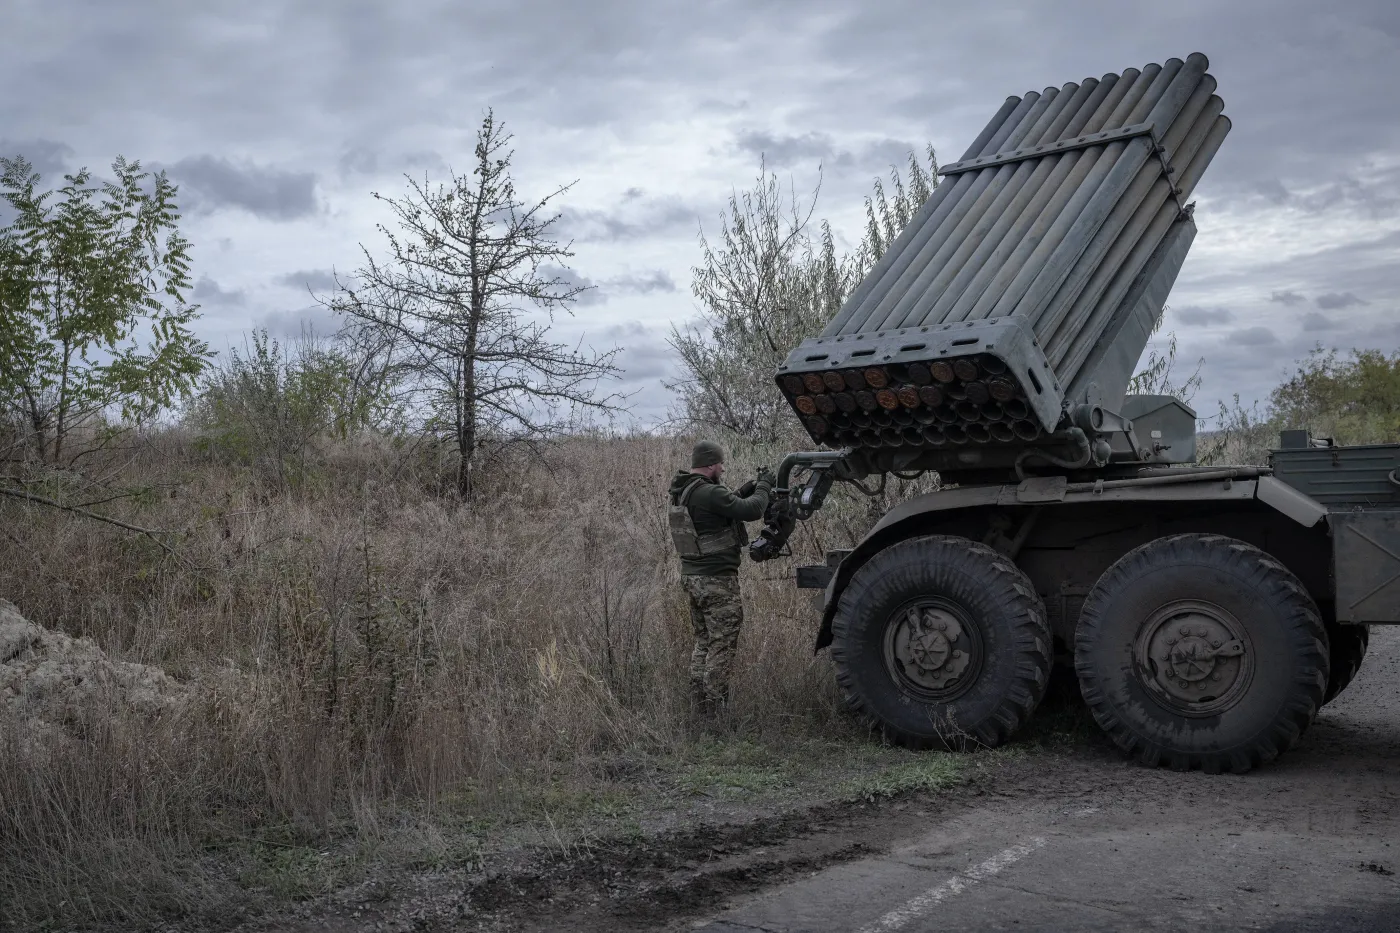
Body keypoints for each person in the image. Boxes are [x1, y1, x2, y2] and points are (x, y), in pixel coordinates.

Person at [668, 440, 774, 716]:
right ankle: (716, 712)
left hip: (693, 578)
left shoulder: (684, 490)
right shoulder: (708, 493)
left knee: (704, 641)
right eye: (721, 464)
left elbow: (719, 511)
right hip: (716, 580)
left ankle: (699, 708)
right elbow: (752, 510)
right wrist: (764, 485)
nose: (723, 469)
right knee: (723, 643)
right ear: (711, 464)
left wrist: (743, 491)